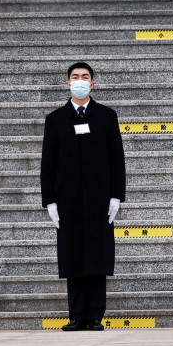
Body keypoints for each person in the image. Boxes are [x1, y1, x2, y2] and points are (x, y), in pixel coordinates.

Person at [40, 62, 126, 330]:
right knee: (73, 255)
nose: (80, 81)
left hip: (100, 198)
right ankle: (76, 315)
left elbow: (117, 159)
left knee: (97, 256)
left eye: (85, 77)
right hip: (69, 200)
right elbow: (48, 162)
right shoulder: (55, 120)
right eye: (75, 77)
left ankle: (95, 316)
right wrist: (50, 200)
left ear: (93, 83)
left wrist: (116, 196)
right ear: (68, 84)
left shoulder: (106, 116)